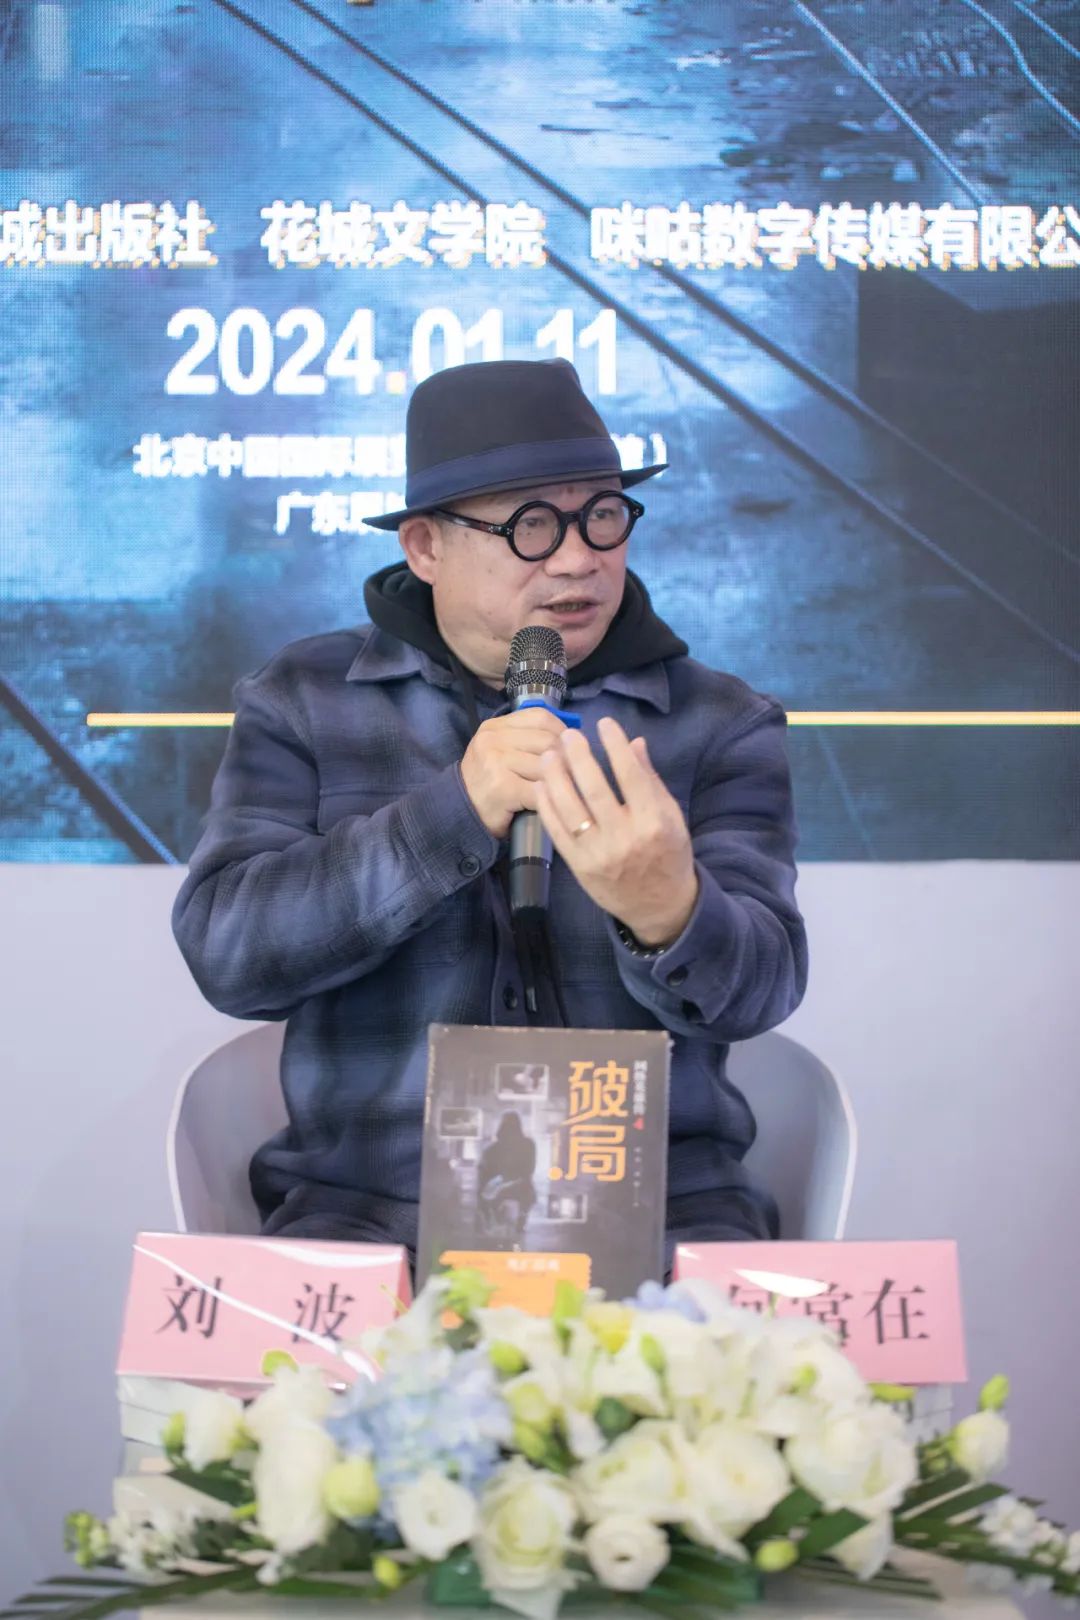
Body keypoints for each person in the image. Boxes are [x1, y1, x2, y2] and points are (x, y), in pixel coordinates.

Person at [172, 358, 808, 1268]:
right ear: (425, 547)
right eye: (530, 525)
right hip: (373, 1218)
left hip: (659, 1217)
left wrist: (671, 913)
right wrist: (453, 816)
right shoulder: (305, 699)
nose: (579, 558)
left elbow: (763, 989)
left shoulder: (718, 721)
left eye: (602, 516)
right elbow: (230, 956)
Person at [476, 1111, 538, 1243]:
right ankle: (520, 1222)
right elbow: (530, 1168)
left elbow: (484, 1172)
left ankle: (493, 1224)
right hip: (522, 1189)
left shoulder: (492, 1148)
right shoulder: (528, 1144)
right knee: (525, 1205)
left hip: (499, 1190)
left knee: (486, 1203)